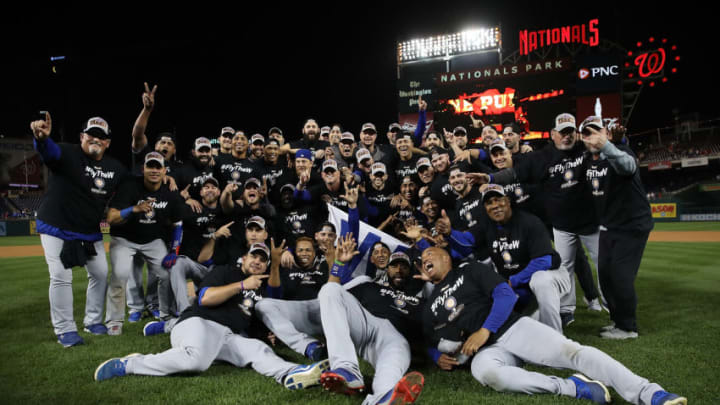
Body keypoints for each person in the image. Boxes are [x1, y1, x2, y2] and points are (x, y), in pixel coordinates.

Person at [417, 247, 686, 405]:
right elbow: (430, 338)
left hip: (511, 328)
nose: (426, 257)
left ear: (446, 258)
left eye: (431, 252)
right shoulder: (429, 307)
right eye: (422, 257)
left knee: (573, 352)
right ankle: (574, 387)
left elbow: (506, 295)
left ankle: (648, 392)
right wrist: (436, 356)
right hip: (486, 352)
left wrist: (484, 330)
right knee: (490, 376)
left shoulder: (470, 270)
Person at [93, 243, 330, 392]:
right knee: (195, 361)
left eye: (262, 259)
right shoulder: (226, 272)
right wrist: (241, 284)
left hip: (228, 336)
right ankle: (129, 364)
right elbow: (205, 299)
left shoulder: (260, 290)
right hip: (198, 323)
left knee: (257, 350)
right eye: (254, 256)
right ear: (244, 259)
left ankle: (290, 373)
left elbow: (256, 322)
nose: (257, 261)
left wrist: (267, 336)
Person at [32, 113, 128, 347]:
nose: (96, 139)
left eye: (101, 136)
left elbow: (134, 183)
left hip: (88, 231)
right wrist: (42, 139)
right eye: (91, 134)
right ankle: (65, 330)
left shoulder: (115, 167)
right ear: (82, 136)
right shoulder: (66, 152)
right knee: (61, 276)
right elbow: (49, 152)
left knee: (99, 273)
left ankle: (93, 321)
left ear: (108, 142)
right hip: (56, 226)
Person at [318, 235, 425, 405]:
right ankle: (346, 368)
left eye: (403, 266)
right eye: (394, 265)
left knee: (391, 369)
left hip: (395, 339)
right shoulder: (369, 285)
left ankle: (382, 398)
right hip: (366, 325)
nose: (398, 270)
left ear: (411, 271)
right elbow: (332, 298)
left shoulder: (419, 300)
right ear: (386, 269)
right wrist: (338, 264)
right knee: (329, 289)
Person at [580, 116, 654, 339]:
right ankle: (617, 321)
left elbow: (627, 166)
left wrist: (608, 145)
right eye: (587, 133)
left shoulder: (620, 152)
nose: (592, 136)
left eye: (597, 131)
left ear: (607, 133)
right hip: (608, 226)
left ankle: (628, 327)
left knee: (620, 277)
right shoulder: (586, 159)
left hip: (632, 225)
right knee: (605, 277)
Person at [104, 151, 187, 335]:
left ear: (165, 170)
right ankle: (114, 320)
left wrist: (174, 250)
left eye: (158, 167)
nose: (154, 170)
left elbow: (178, 223)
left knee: (166, 274)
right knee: (120, 274)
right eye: (151, 166)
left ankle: (165, 315)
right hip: (125, 239)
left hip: (152, 240)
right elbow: (111, 217)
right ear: (143, 169)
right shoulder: (130, 187)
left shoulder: (170, 193)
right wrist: (133, 209)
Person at [481, 184, 570, 332]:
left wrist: (512, 281)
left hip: (552, 276)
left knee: (539, 279)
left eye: (498, 200)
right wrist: (448, 234)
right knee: (518, 326)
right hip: (521, 287)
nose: (495, 206)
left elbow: (544, 261)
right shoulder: (488, 228)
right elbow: (467, 245)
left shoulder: (528, 222)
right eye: (489, 203)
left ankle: (555, 335)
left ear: (508, 201)